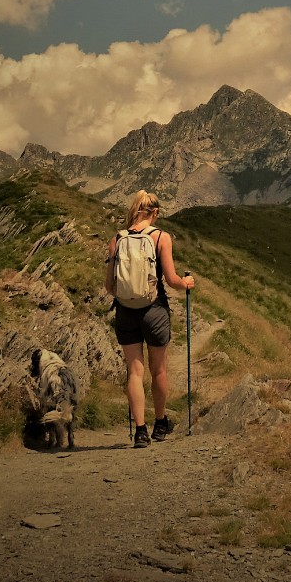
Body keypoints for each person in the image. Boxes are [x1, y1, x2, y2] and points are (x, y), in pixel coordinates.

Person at [104, 190, 195, 447]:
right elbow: (172, 280)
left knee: (134, 371)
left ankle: (140, 431)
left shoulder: (117, 240)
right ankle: (160, 423)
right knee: (159, 370)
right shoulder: (160, 237)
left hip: (125, 312)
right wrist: (187, 283)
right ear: (154, 212)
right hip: (154, 311)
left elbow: (109, 286)